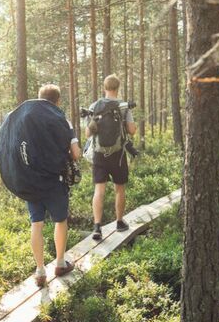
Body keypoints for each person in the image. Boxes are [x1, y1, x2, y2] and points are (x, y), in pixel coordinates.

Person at [26, 84, 82, 286]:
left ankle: (40, 271)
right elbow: (75, 153)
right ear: (58, 102)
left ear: (38, 99)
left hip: (31, 182)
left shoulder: (27, 121)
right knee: (60, 221)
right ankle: (59, 263)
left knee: (36, 224)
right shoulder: (63, 121)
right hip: (55, 181)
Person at [86, 74, 137, 240]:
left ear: (104, 88)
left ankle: (97, 227)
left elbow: (87, 133)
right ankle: (120, 222)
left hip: (99, 154)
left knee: (99, 190)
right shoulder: (123, 106)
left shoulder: (94, 106)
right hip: (118, 154)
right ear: (117, 88)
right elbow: (132, 130)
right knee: (119, 188)